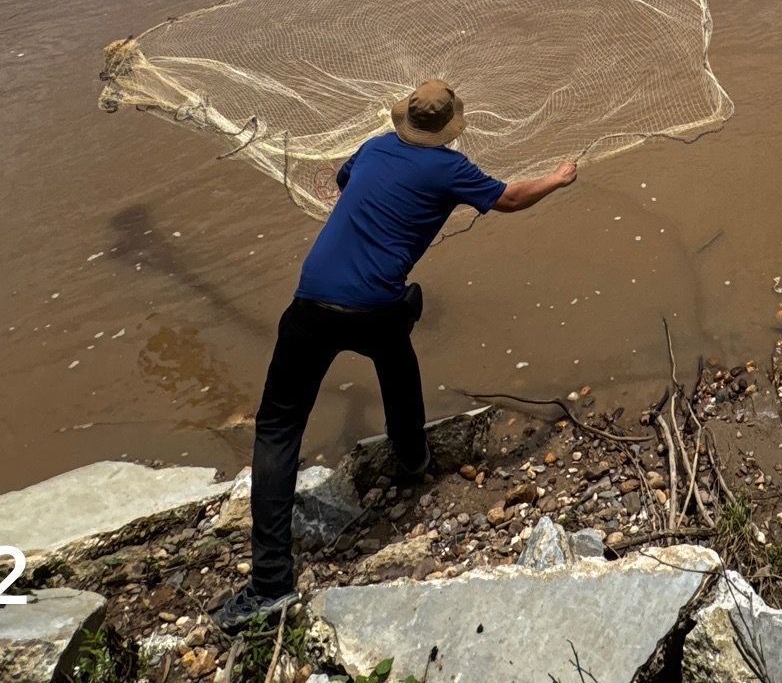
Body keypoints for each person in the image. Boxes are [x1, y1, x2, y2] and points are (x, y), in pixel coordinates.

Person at [213, 79, 578, 632]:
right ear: (451, 125)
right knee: (395, 350)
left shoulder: (376, 148)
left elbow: (342, 179)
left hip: (311, 300)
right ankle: (412, 460)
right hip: (376, 306)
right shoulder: (451, 169)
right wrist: (557, 178)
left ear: (405, 119)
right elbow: (509, 199)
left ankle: (269, 584)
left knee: (278, 428)